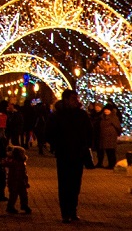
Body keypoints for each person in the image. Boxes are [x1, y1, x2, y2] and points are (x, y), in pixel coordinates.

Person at [49, 90, 95, 222]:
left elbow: (89, 131)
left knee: (75, 184)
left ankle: (72, 211)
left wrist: (86, 145)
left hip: (78, 154)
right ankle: (65, 213)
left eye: (76, 98)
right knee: (64, 184)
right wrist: (56, 145)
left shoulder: (81, 114)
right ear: (66, 99)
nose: (76, 100)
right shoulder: (58, 115)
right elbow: (50, 132)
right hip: (64, 153)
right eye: (73, 98)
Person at [2, 144, 32, 214]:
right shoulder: (13, 162)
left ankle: (24, 205)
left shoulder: (21, 162)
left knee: (23, 194)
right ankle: (10, 207)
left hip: (20, 181)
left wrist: (25, 181)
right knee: (13, 195)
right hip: (14, 181)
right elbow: (5, 163)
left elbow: (24, 173)